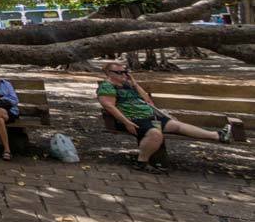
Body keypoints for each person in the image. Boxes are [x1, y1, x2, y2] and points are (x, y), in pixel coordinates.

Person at [97, 61, 231, 173]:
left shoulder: (128, 85)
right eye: (118, 72)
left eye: (125, 72)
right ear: (109, 73)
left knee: (176, 125)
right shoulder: (107, 87)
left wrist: (135, 83)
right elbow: (109, 106)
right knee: (155, 134)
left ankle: (217, 135)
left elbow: (148, 101)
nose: (123, 75)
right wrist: (126, 122)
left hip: (150, 116)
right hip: (132, 119)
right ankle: (142, 162)